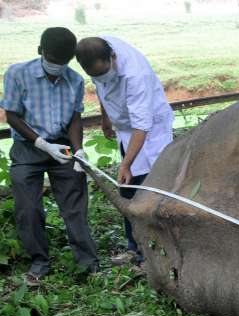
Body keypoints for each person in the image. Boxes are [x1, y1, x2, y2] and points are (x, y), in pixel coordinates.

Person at [1, 27, 98, 286]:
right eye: (53, 59)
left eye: (63, 62)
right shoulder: (17, 74)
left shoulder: (74, 80)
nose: (58, 66)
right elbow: (12, 115)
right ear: (41, 51)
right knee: (28, 208)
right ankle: (39, 261)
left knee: (75, 205)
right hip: (28, 147)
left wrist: (78, 149)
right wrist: (42, 144)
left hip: (63, 146)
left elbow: (75, 118)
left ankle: (88, 262)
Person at [75, 36, 173, 269]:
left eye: (104, 71)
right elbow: (102, 87)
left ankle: (154, 249)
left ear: (112, 57)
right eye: (96, 75)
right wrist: (106, 117)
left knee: (147, 186)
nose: (101, 77)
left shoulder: (136, 74)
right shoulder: (95, 54)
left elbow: (142, 126)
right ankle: (134, 247)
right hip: (126, 128)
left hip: (149, 131)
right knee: (128, 190)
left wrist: (125, 164)